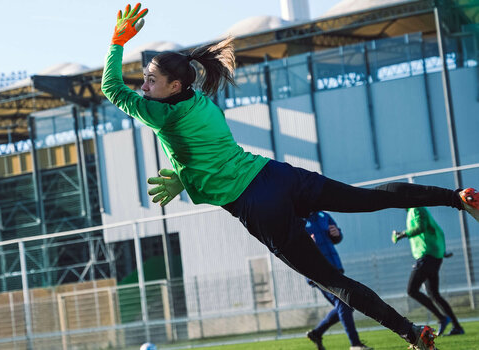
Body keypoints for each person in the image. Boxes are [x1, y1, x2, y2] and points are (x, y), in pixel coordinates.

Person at [100, 4, 479, 349]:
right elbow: (208, 153)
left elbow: (111, 89)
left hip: (257, 205)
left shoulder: (160, 113)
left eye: (150, 80)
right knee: (369, 199)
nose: (143, 87)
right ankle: (458, 197)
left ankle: (413, 334)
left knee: (332, 280)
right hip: (274, 175)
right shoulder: (200, 102)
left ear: (175, 86)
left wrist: (117, 43)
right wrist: (186, 178)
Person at [304, 211, 373, 350]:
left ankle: (317, 333)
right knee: (344, 304)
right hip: (317, 272)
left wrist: (337, 233)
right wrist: (305, 243)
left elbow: (337, 236)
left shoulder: (323, 215)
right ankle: (355, 344)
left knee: (345, 305)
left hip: (334, 267)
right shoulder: (297, 219)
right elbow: (291, 245)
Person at [392, 207, 465, 336]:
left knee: (412, 290)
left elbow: (420, 227)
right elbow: (438, 231)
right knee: (434, 294)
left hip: (427, 256)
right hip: (432, 256)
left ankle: (442, 318)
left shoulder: (416, 209)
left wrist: (402, 234)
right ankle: (457, 327)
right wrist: (442, 251)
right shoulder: (413, 210)